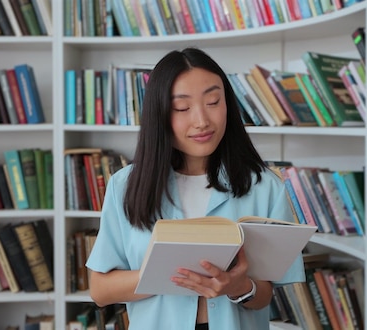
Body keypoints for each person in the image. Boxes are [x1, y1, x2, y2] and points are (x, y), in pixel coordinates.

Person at [86, 47, 305, 330]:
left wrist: (240, 286)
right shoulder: (125, 185)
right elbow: (100, 290)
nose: (202, 120)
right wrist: (170, 274)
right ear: (160, 115)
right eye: (182, 108)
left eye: (213, 101)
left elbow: (264, 295)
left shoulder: (264, 186)